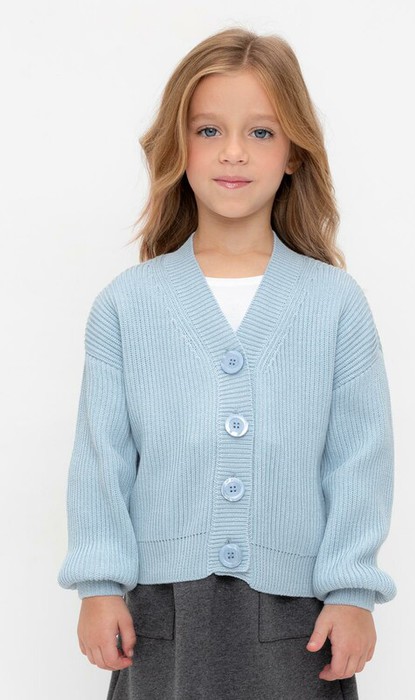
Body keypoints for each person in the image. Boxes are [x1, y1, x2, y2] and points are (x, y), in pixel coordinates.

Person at [57, 26, 397, 700]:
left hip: (299, 618)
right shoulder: (128, 304)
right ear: (177, 146)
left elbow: (360, 456)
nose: (233, 151)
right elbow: (102, 457)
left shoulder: (335, 304)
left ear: (294, 152)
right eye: (209, 130)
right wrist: (98, 582)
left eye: (261, 132)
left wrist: (352, 589)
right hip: (161, 616)